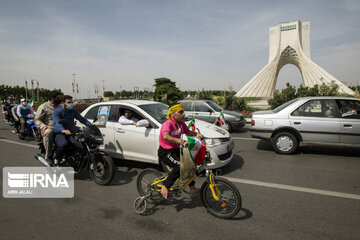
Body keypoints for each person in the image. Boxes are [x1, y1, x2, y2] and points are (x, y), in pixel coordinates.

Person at [158, 104, 203, 199]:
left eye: (183, 112)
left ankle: (192, 187)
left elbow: (188, 132)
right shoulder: (167, 124)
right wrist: (181, 141)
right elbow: (166, 136)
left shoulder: (181, 124)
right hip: (166, 152)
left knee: (190, 164)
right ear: (173, 114)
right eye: (181, 112)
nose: (183, 114)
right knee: (180, 166)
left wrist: (197, 134)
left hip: (176, 149)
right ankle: (165, 186)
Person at [53, 95, 92, 165]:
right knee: (63, 144)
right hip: (60, 133)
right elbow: (57, 122)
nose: (70, 104)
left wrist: (90, 125)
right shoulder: (57, 112)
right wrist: (63, 130)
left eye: (71, 102)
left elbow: (81, 119)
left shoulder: (73, 111)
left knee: (80, 144)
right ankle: (57, 159)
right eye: (68, 102)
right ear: (62, 103)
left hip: (71, 132)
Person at [34, 91, 62, 164]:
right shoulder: (43, 106)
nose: (60, 99)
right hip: (49, 127)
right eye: (58, 98)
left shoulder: (60, 107)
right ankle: (48, 155)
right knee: (49, 132)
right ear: (52, 98)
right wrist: (42, 126)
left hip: (60, 127)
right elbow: (37, 119)